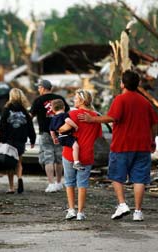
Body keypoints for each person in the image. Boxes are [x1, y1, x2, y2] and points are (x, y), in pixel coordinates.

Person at [79, 70, 158, 221]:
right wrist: (152, 140)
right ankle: (138, 212)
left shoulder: (120, 99)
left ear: (122, 84)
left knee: (116, 176)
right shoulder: (145, 102)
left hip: (122, 145)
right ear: (138, 84)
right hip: (142, 146)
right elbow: (154, 123)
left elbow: (111, 117)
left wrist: (92, 119)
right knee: (140, 179)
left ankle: (122, 204)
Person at [58, 89, 102, 220]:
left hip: (69, 153)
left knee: (69, 182)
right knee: (82, 183)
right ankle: (81, 213)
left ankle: (71, 209)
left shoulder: (73, 114)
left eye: (76, 98)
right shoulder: (95, 116)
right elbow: (97, 137)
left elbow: (63, 129)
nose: (74, 100)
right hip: (87, 154)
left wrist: (59, 129)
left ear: (82, 100)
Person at [29, 79, 69, 193]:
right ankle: (59, 182)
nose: (38, 90)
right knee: (59, 158)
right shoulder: (60, 98)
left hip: (46, 132)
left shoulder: (38, 100)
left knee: (48, 158)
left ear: (42, 88)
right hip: (60, 132)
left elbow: (30, 116)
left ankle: (51, 184)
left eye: (38, 88)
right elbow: (67, 112)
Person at [0, 88, 36, 194]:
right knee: (19, 162)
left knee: (10, 163)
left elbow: (2, 125)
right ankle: (19, 178)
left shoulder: (6, 109)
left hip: (9, 140)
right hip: (21, 140)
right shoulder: (25, 110)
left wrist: (1, 139)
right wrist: (32, 139)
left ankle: (11, 187)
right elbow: (30, 126)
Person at [49, 99, 84, 171]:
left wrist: (54, 139)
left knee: (68, 148)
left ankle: (71, 161)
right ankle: (76, 162)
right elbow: (68, 121)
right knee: (76, 146)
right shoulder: (64, 115)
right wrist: (75, 126)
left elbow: (51, 131)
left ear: (53, 109)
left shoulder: (53, 118)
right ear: (64, 107)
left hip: (60, 138)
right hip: (67, 136)